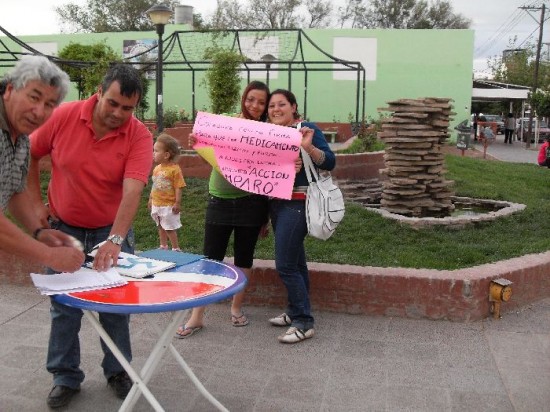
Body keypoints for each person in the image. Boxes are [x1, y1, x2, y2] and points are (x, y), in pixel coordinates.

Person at [27, 64, 153, 408]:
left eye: (127, 108)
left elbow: (133, 191)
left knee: (115, 307)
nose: (118, 114)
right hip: (64, 228)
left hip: (109, 229)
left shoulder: (139, 135)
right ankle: (65, 376)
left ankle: (118, 371)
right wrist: (37, 203)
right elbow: (29, 154)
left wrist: (115, 239)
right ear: (99, 90)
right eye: (112, 103)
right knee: (64, 307)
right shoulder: (63, 116)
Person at [175, 81, 272, 338]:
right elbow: (208, 153)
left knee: (244, 258)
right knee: (210, 258)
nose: (255, 105)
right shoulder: (226, 123)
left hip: (251, 203)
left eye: (261, 102)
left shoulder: (268, 132)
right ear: (244, 98)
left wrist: (266, 217)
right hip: (219, 199)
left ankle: (236, 308)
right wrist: (197, 143)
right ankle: (197, 316)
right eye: (251, 99)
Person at [0, 55, 84, 273]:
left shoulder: (22, 138)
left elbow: (15, 190)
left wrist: (38, 231)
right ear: (9, 90)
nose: (39, 112)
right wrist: (47, 254)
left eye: (49, 104)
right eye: (33, 97)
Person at [266, 89, 335, 344]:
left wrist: (308, 148)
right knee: (296, 263)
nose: (276, 109)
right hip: (277, 205)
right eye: (272, 105)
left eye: (281, 104)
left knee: (285, 264)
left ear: (293, 107)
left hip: (299, 204)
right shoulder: (268, 133)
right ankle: (296, 311)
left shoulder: (306, 129)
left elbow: (330, 161)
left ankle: (304, 322)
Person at [148, 133, 186, 251]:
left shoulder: (174, 169)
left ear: (166, 155)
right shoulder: (157, 168)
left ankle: (175, 248)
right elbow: (155, 185)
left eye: (156, 151)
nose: (153, 153)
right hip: (157, 203)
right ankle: (163, 246)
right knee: (160, 225)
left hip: (168, 205)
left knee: (169, 227)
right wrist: (150, 199)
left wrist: (177, 203)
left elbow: (178, 187)